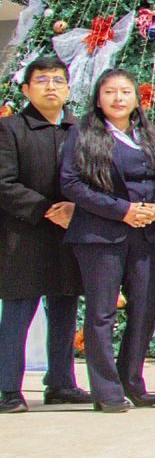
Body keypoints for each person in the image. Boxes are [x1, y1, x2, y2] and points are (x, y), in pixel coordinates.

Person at [60, 68, 155, 412]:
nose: (118, 98)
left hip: (145, 234)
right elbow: (72, 183)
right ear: (98, 98)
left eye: (125, 92)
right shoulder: (82, 134)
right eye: (110, 92)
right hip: (100, 236)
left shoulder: (150, 135)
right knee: (101, 313)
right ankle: (106, 390)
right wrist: (122, 210)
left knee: (145, 309)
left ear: (135, 98)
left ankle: (132, 381)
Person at [0, 55, 89, 411]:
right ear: (26, 88)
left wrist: (76, 211)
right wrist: (45, 210)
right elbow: (3, 182)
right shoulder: (9, 129)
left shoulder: (80, 130)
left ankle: (61, 383)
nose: (51, 87)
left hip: (70, 235)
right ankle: (7, 388)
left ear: (68, 88)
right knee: (18, 314)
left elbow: (95, 179)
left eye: (57, 80)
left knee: (65, 310)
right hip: (23, 237)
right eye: (42, 81)